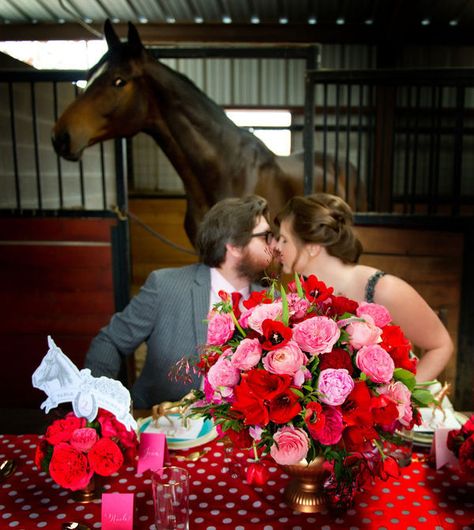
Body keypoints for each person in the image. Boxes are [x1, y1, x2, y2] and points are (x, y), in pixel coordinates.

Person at [85, 195, 275, 408]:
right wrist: (104, 405)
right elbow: (110, 341)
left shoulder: (274, 303)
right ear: (234, 247)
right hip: (162, 423)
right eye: (266, 236)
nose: (274, 244)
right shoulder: (165, 286)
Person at [274, 192, 453, 383]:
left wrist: (402, 397)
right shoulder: (298, 295)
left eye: (284, 239)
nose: (277, 246)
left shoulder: (382, 288)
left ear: (312, 247)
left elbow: (441, 345)